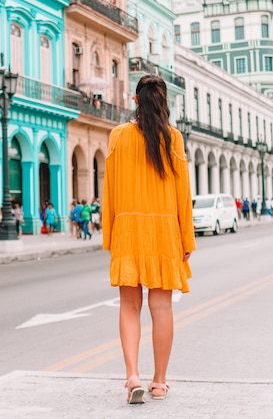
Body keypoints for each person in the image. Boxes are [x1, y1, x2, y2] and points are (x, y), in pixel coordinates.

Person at [102, 75, 196, 404]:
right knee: (162, 307)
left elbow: (109, 189)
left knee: (129, 306)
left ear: (135, 100)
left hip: (128, 229)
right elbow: (184, 194)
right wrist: (186, 239)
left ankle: (131, 376)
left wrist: (110, 234)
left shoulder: (118, 136)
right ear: (164, 102)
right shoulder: (174, 139)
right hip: (165, 232)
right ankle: (159, 382)